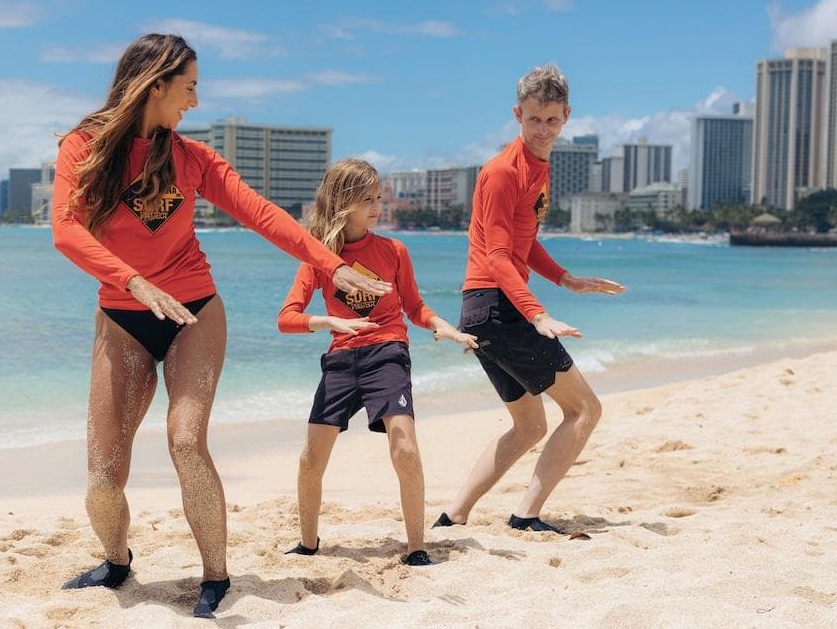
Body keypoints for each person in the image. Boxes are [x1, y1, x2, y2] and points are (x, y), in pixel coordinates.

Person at [51, 34, 390, 619]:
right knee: (103, 472)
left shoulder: (191, 159)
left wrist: (333, 266)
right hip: (123, 316)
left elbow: (263, 216)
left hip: (193, 315)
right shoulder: (82, 148)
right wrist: (133, 281)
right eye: (188, 88)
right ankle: (116, 561)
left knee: (185, 440)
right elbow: (65, 230)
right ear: (155, 83)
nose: (195, 102)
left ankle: (215, 575)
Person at [432, 64, 624, 535]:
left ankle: (452, 516)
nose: (542, 129)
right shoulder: (502, 172)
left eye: (552, 121)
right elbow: (498, 256)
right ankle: (527, 515)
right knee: (585, 410)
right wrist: (536, 313)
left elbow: (524, 241)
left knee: (529, 426)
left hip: (486, 309)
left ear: (566, 117)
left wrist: (565, 279)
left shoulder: (539, 168)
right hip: (498, 308)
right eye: (534, 119)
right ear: (518, 114)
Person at [277, 159, 477, 565]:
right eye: (366, 199)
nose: (376, 207)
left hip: (387, 352)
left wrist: (442, 326)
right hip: (340, 359)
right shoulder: (318, 258)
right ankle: (309, 544)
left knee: (405, 447)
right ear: (343, 201)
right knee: (310, 459)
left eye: (378, 198)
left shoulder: (393, 250)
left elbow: (414, 307)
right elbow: (286, 318)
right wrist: (328, 320)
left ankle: (417, 548)